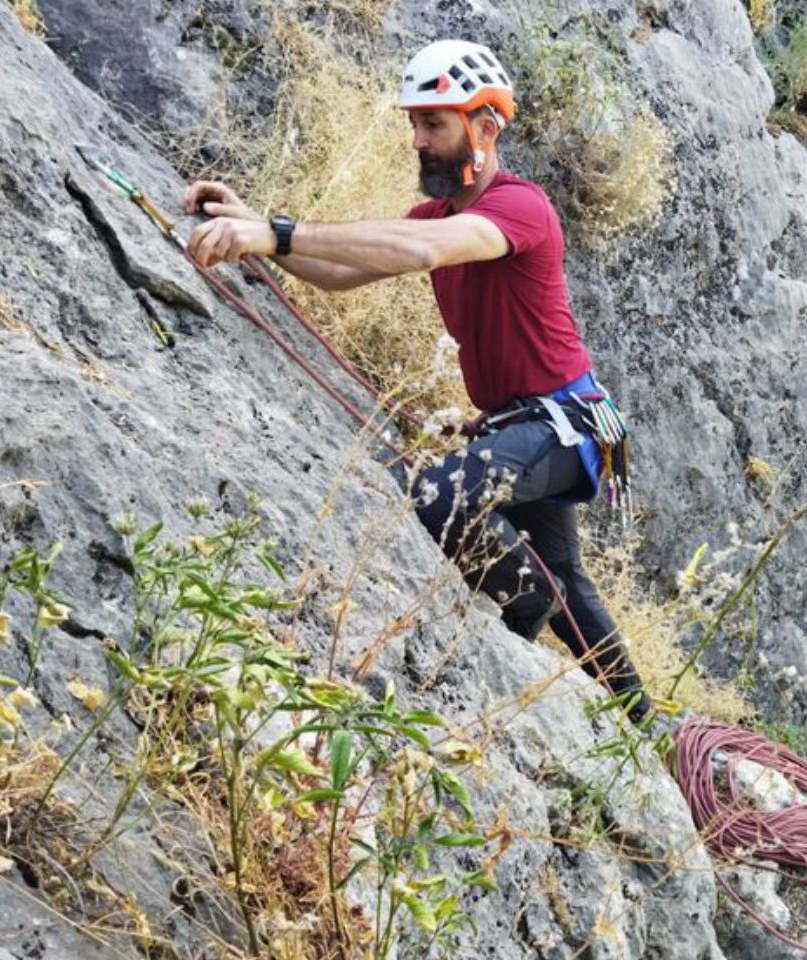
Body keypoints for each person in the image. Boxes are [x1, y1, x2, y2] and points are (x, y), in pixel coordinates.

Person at [180, 39, 650, 722]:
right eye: (414, 125)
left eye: (433, 124)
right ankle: (643, 722)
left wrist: (274, 233)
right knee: (572, 585)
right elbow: (340, 272)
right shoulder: (435, 216)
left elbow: (419, 252)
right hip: (523, 423)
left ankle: (527, 603)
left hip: (562, 423)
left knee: (441, 498)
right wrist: (252, 224)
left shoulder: (521, 208)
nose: (418, 141)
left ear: (484, 127)